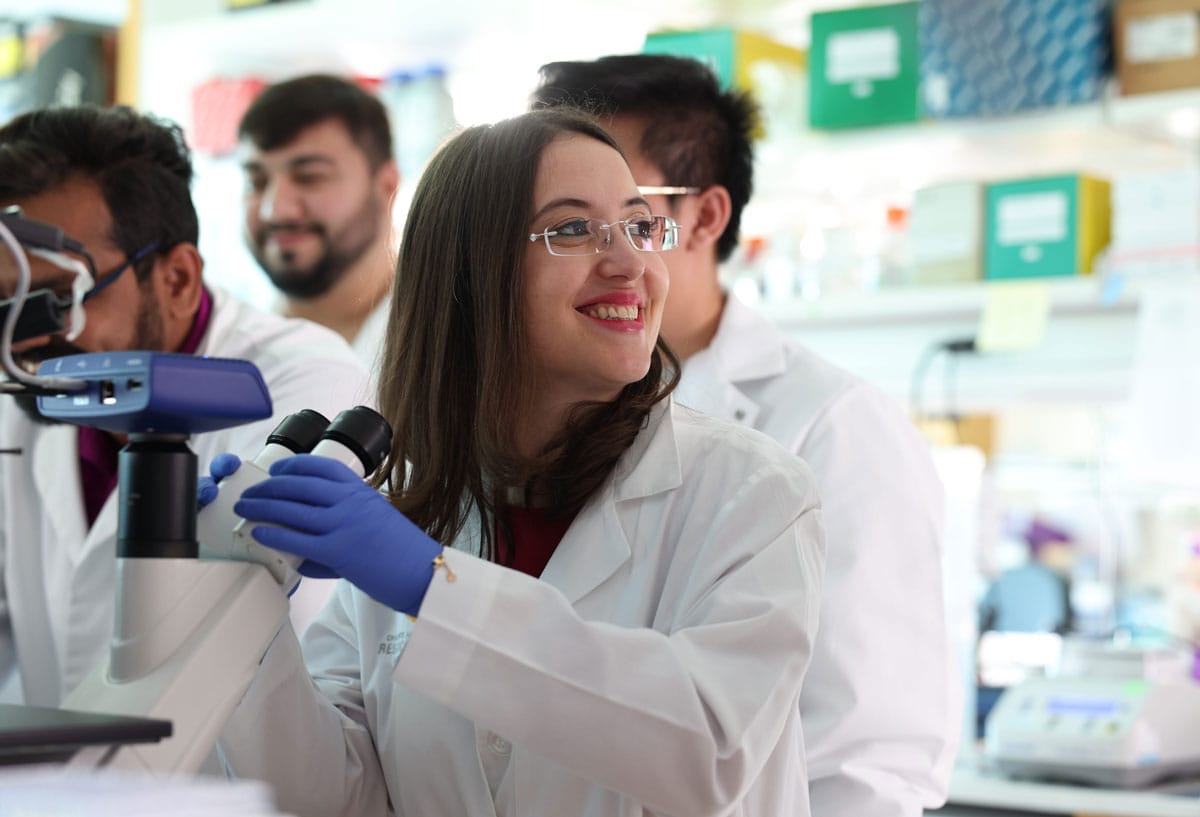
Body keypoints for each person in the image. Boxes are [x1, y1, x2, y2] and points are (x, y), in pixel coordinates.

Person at [211, 107, 826, 816]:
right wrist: (245, 616)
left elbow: (709, 750)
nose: (630, 263)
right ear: (470, 275)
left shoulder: (751, 496)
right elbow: (329, 798)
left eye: (637, 225)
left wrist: (434, 586)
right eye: (571, 229)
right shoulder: (413, 514)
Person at [532, 54, 958, 816]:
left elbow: (869, 759)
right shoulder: (536, 414)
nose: (596, 243)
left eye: (628, 209)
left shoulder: (830, 423)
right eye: (561, 217)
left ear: (703, 216)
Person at [0, 105, 371, 708]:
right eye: (3, 305)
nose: (24, 340)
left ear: (176, 278)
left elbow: (244, 655)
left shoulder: (302, 387)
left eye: (53, 299)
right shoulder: (31, 392)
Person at [237, 73, 400, 369]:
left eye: (309, 177)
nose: (275, 210)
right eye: (256, 181)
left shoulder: (456, 336)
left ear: (386, 185)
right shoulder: (232, 350)